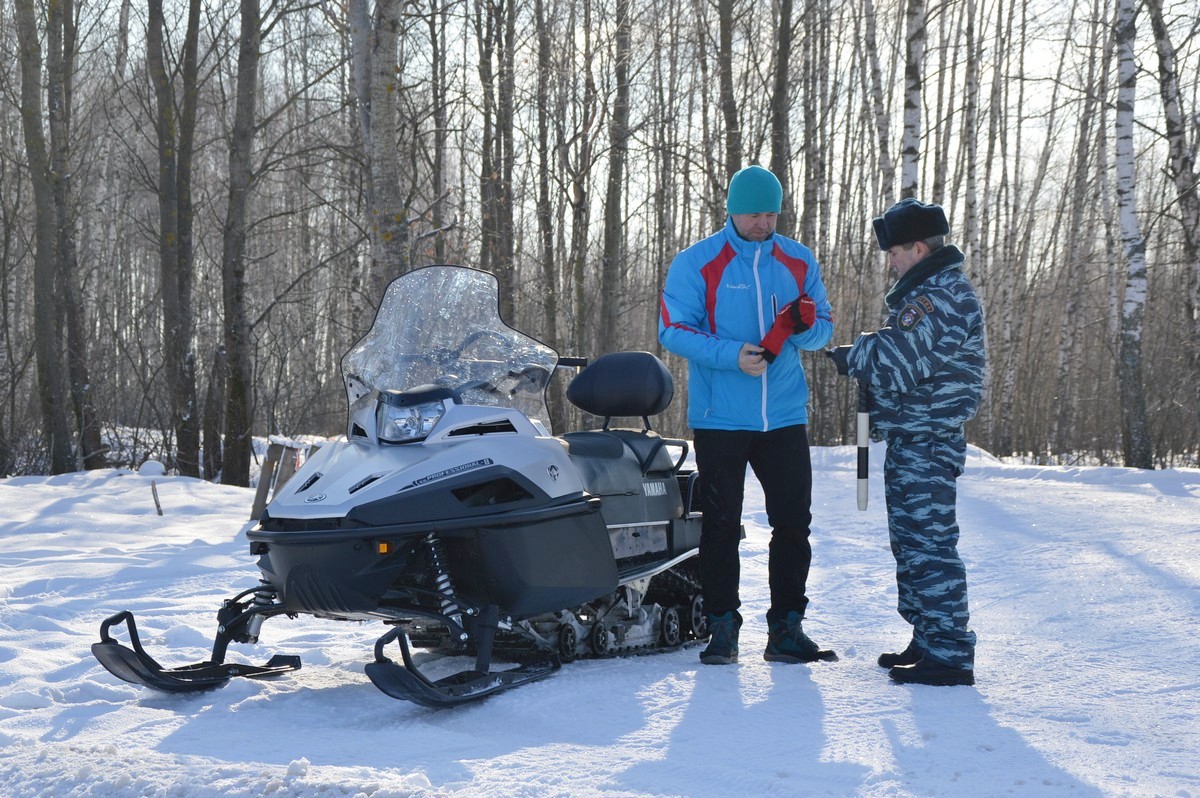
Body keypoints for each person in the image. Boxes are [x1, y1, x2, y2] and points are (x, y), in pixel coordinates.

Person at [658, 165, 836, 666]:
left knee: (793, 525)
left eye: (771, 213)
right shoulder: (698, 262)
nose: (764, 223)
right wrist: (732, 354)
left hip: (782, 416)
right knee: (720, 525)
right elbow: (673, 330)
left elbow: (823, 328)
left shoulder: (798, 260)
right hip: (720, 417)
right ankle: (722, 628)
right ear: (733, 211)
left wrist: (801, 329)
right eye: (755, 214)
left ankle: (786, 629)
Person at [826, 198, 985, 686]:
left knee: (931, 545)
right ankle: (929, 636)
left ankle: (951, 653)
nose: (890, 262)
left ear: (918, 248)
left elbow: (898, 360)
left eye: (894, 252)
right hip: (914, 438)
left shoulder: (940, 297)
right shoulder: (930, 291)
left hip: (929, 440)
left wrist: (857, 353)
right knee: (912, 545)